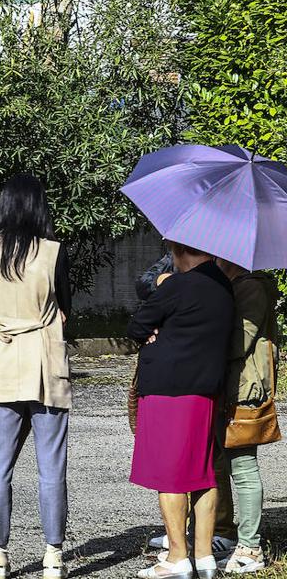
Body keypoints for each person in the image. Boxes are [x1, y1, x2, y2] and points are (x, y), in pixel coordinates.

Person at [0, 174, 72, 579]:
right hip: (45, 360)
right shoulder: (52, 251)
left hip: (1, 360)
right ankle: (53, 554)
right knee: (51, 466)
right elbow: (65, 306)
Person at [128, 241, 233, 579]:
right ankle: (203, 556)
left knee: (169, 475)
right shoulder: (222, 286)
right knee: (203, 473)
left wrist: (156, 327)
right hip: (206, 389)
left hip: (168, 389)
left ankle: (176, 556)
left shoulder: (177, 285)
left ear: (177, 247)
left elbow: (136, 327)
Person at [213, 261, 279, 574]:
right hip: (227, 384)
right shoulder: (231, 284)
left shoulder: (251, 285)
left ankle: (250, 547)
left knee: (242, 466)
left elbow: (239, 340)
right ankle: (225, 533)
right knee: (218, 461)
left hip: (244, 387)